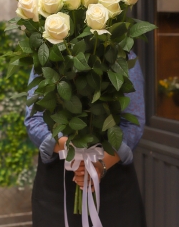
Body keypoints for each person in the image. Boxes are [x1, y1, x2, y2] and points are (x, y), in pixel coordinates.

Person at [24, 50, 147, 227]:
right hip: (57, 189)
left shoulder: (122, 55)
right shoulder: (48, 54)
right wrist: (74, 150)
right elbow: (34, 119)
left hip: (113, 185)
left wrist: (100, 164)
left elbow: (132, 122)